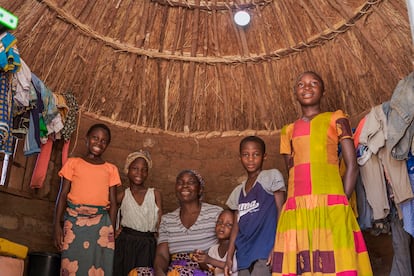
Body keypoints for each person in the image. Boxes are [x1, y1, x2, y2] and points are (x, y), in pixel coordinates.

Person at [271, 71, 373, 275]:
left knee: (336, 265)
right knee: (303, 265)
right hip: (297, 207)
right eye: (301, 84)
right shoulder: (288, 131)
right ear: (295, 93)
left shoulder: (336, 118)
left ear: (323, 91)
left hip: (331, 203)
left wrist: (342, 201)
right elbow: (291, 172)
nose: (306, 87)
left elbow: (352, 164)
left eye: (313, 83)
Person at [53, 123, 121, 275]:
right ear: (86, 139)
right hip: (74, 222)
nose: (99, 143)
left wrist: (110, 229)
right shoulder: (73, 163)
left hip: (101, 225)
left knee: (99, 266)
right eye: (95, 138)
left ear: (107, 145)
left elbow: (114, 204)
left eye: (103, 141)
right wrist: (56, 225)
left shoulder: (111, 169)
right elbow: (62, 195)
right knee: (70, 266)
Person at [224, 136, 286, 276]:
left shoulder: (271, 177)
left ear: (264, 156)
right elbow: (236, 227)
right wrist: (229, 256)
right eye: (246, 155)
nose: (250, 159)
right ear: (240, 157)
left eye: (256, 154)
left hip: (265, 250)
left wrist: (278, 245)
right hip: (244, 255)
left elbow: (281, 211)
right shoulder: (238, 192)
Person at [153, 169, 223, 276]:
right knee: (137, 273)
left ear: (200, 189)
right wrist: (159, 272)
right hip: (173, 270)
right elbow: (162, 255)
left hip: (204, 269)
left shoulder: (215, 213)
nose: (185, 186)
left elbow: (227, 245)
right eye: (180, 183)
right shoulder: (167, 220)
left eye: (191, 182)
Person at [113, 150, 163, 276]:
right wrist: (113, 229)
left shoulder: (155, 194)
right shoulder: (123, 195)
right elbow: (108, 207)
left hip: (147, 245)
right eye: (135, 168)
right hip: (126, 244)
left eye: (143, 169)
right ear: (127, 170)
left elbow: (160, 224)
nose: (139, 173)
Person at [193, 209, 238, 276]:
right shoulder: (213, 249)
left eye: (228, 224)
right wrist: (201, 259)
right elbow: (208, 269)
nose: (222, 226)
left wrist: (210, 260)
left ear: (235, 229)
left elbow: (233, 267)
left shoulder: (237, 249)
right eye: (219, 222)